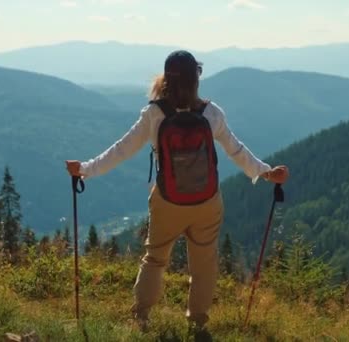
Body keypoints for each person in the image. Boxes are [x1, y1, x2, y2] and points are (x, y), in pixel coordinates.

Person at [65, 50, 289, 331]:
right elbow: (236, 150)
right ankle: (197, 323)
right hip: (207, 202)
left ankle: (141, 316)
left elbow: (121, 150)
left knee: (155, 258)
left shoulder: (154, 114)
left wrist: (85, 168)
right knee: (204, 264)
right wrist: (267, 173)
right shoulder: (211, 113)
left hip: (167, 201)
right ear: (196, 79)